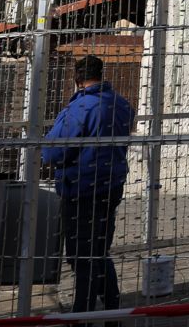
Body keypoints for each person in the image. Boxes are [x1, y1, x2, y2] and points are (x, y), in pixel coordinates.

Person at [42, 55, 135, 317]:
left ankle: (82, 313)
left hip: (82, 188)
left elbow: (53, 152)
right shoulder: (121, 104)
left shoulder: (80, 108)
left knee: (81, 255)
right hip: (111, 185)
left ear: (77, 78)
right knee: (98, 251)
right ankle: (112, 310)